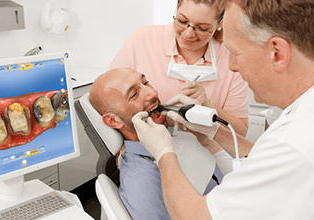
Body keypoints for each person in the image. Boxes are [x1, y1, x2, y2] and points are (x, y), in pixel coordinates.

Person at [132, 0, 314, 219]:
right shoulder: (313, 110)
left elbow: (195, 216)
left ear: (277, 53)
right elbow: (271, 162)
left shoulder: (297, 140)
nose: (232, 66)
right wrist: (213, 134)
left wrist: (163, 152)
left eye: (236, 52)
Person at [109, 0, 250, 195]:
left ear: (220, 24)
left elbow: (239, 132)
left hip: (211, 152)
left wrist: (208, 106)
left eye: (202, 28)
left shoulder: (231, 55)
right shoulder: (143, 40)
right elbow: (111, 97)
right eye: (182, 21)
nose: (189, 34)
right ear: (176, 8)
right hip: (151, 151)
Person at [89, 68, 232, 219]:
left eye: (146, 83)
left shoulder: (178, 137)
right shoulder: (141, 184)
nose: (152, 93)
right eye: (133, 95)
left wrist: (211, 131)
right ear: (113, 120)